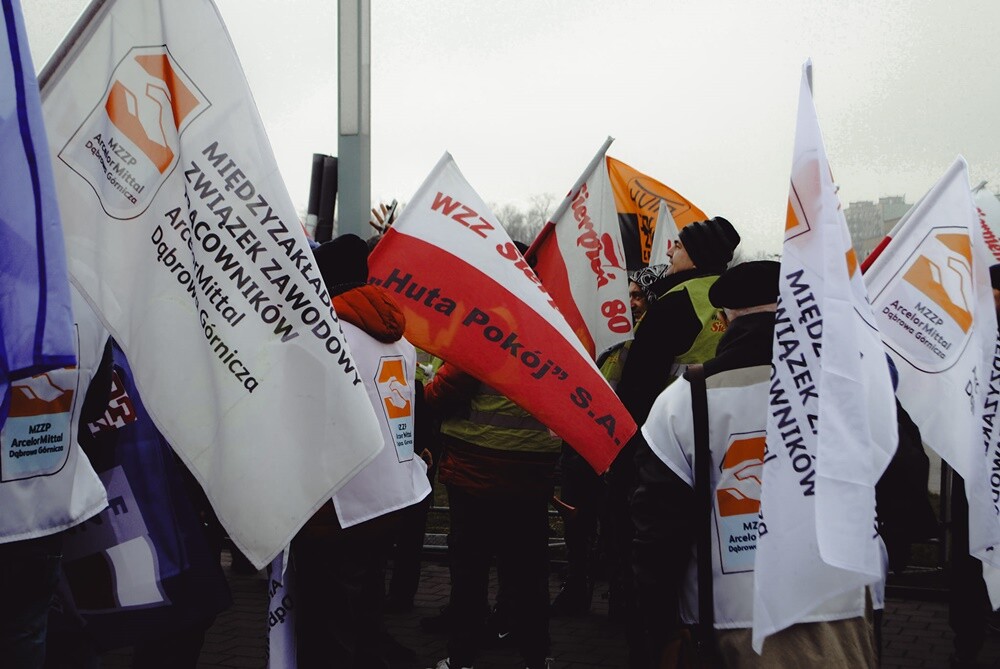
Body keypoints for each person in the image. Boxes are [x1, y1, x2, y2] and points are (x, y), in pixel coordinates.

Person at [632, 260, 876, 668]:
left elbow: (657, 530)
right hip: (840, 605)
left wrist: (659, 627)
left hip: (729, 619)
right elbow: (899, 484)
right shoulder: (850, 386)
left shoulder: (682, 402)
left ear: (724, 323)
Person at [291, 234, 431, 669]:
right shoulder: (400, 340)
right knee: (367, 597)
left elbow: (305, 422)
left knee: (328, 620)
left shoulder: (329, 339)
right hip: (390, 493)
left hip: (338, 503)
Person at [606, 218, 740, 666]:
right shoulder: (733, 299)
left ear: (695, 255)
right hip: (728, 446)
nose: (671, 252)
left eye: (678, 246)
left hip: (664, 449)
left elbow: (638, 387)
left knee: (654, 559)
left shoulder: (675, 302)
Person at [424, 359, 561, 669]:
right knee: (529, 574)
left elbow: (438, 395)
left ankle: (462, 659)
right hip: (531, 473)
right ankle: (537, 658)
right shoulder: (556, 344)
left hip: (475, 472)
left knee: (470, 573)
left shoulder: (483, 336)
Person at [552, 275, 651, 616]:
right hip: (580, 446)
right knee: (577, 524)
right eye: (626, 296)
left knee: (616, 527)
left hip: (619, 452)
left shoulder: (645, 342)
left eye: (638, 296)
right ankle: (576, 588)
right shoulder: (593, 339)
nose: (631, 303)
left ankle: (620, 595)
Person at [946, 263, 1000, 669]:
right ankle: (967, 638)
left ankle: (968, 637)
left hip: (979, 472)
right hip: (975, 473)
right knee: (969, 562)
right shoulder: (972, 341)